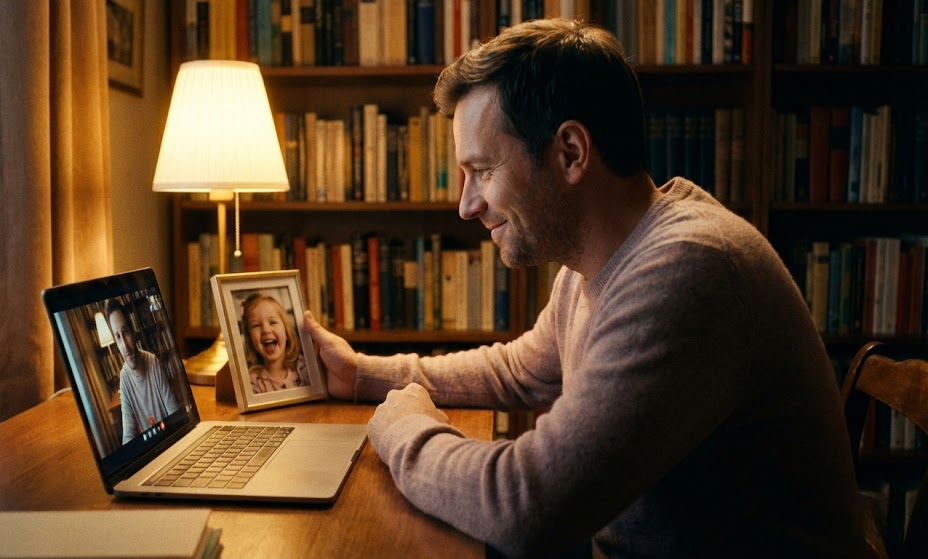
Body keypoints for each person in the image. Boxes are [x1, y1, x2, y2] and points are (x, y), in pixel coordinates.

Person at [302, 19, 864, 559]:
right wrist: (361, 375)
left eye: (483, 170)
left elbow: (526, 507)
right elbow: (519, 371)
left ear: (571, 152)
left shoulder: (688, 270)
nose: (467, 205)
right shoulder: (602, 257)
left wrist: (404, 429)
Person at [106, 299, 180, 444]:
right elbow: (128, 434)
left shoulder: (152, 361)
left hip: (170, 438)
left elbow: (174, 412)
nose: (124, 346)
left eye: (125, 332)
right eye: (118, 337)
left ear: (133, 332)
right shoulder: (124, 378)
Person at [240, 292, 309, 393]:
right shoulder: (252, 381)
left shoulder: (304, 368)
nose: (266, 330)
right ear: (251, 339)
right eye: (256, 325)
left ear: (286, 332)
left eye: (273, 322)